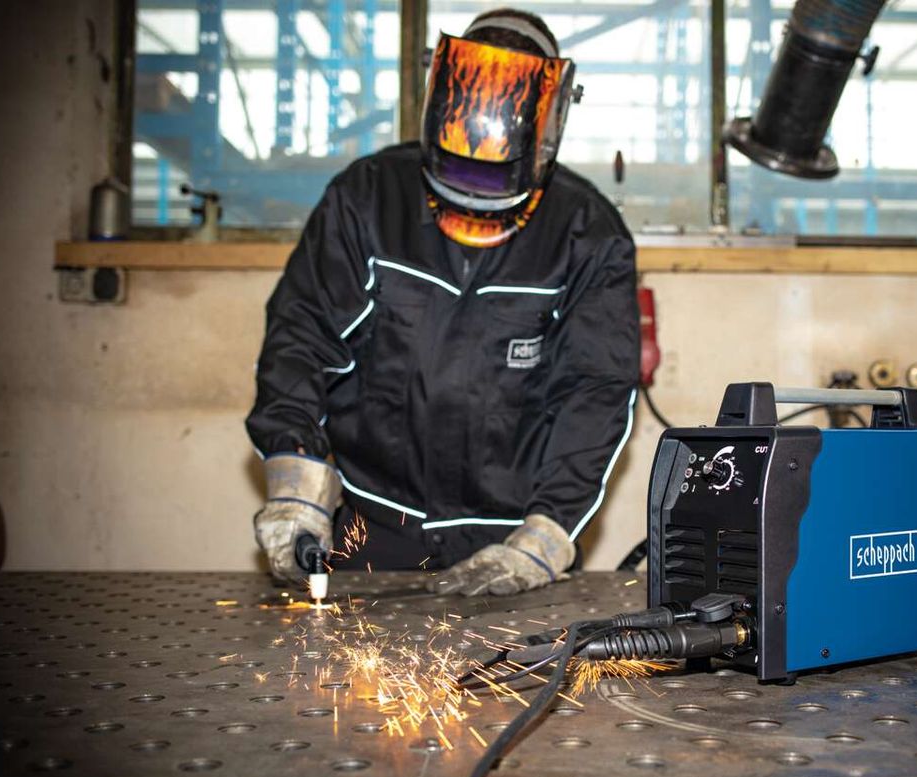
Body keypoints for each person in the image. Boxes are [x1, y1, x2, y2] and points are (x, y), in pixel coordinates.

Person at [246, 8, 639, 597]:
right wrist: (297, 483)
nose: (477, 202)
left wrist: (548, 536)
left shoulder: (588, 234)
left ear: (550, 125)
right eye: (461, 180)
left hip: (508, 540)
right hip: (369, 528)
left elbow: (595, 393)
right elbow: (301, 339)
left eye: (494, 185)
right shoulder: (367, 198)